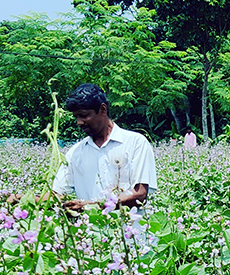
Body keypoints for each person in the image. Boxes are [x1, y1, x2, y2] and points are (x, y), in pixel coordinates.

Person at [53, 83, 157, 212]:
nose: (79, 122)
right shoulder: (75, 153)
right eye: (76, 117)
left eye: (84, 115)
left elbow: (140, 194)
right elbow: (57, 195)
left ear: (103, 109)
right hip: (91, 231)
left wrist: (92, 206)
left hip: (129, 229)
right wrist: (24, 199)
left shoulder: (135, 143)